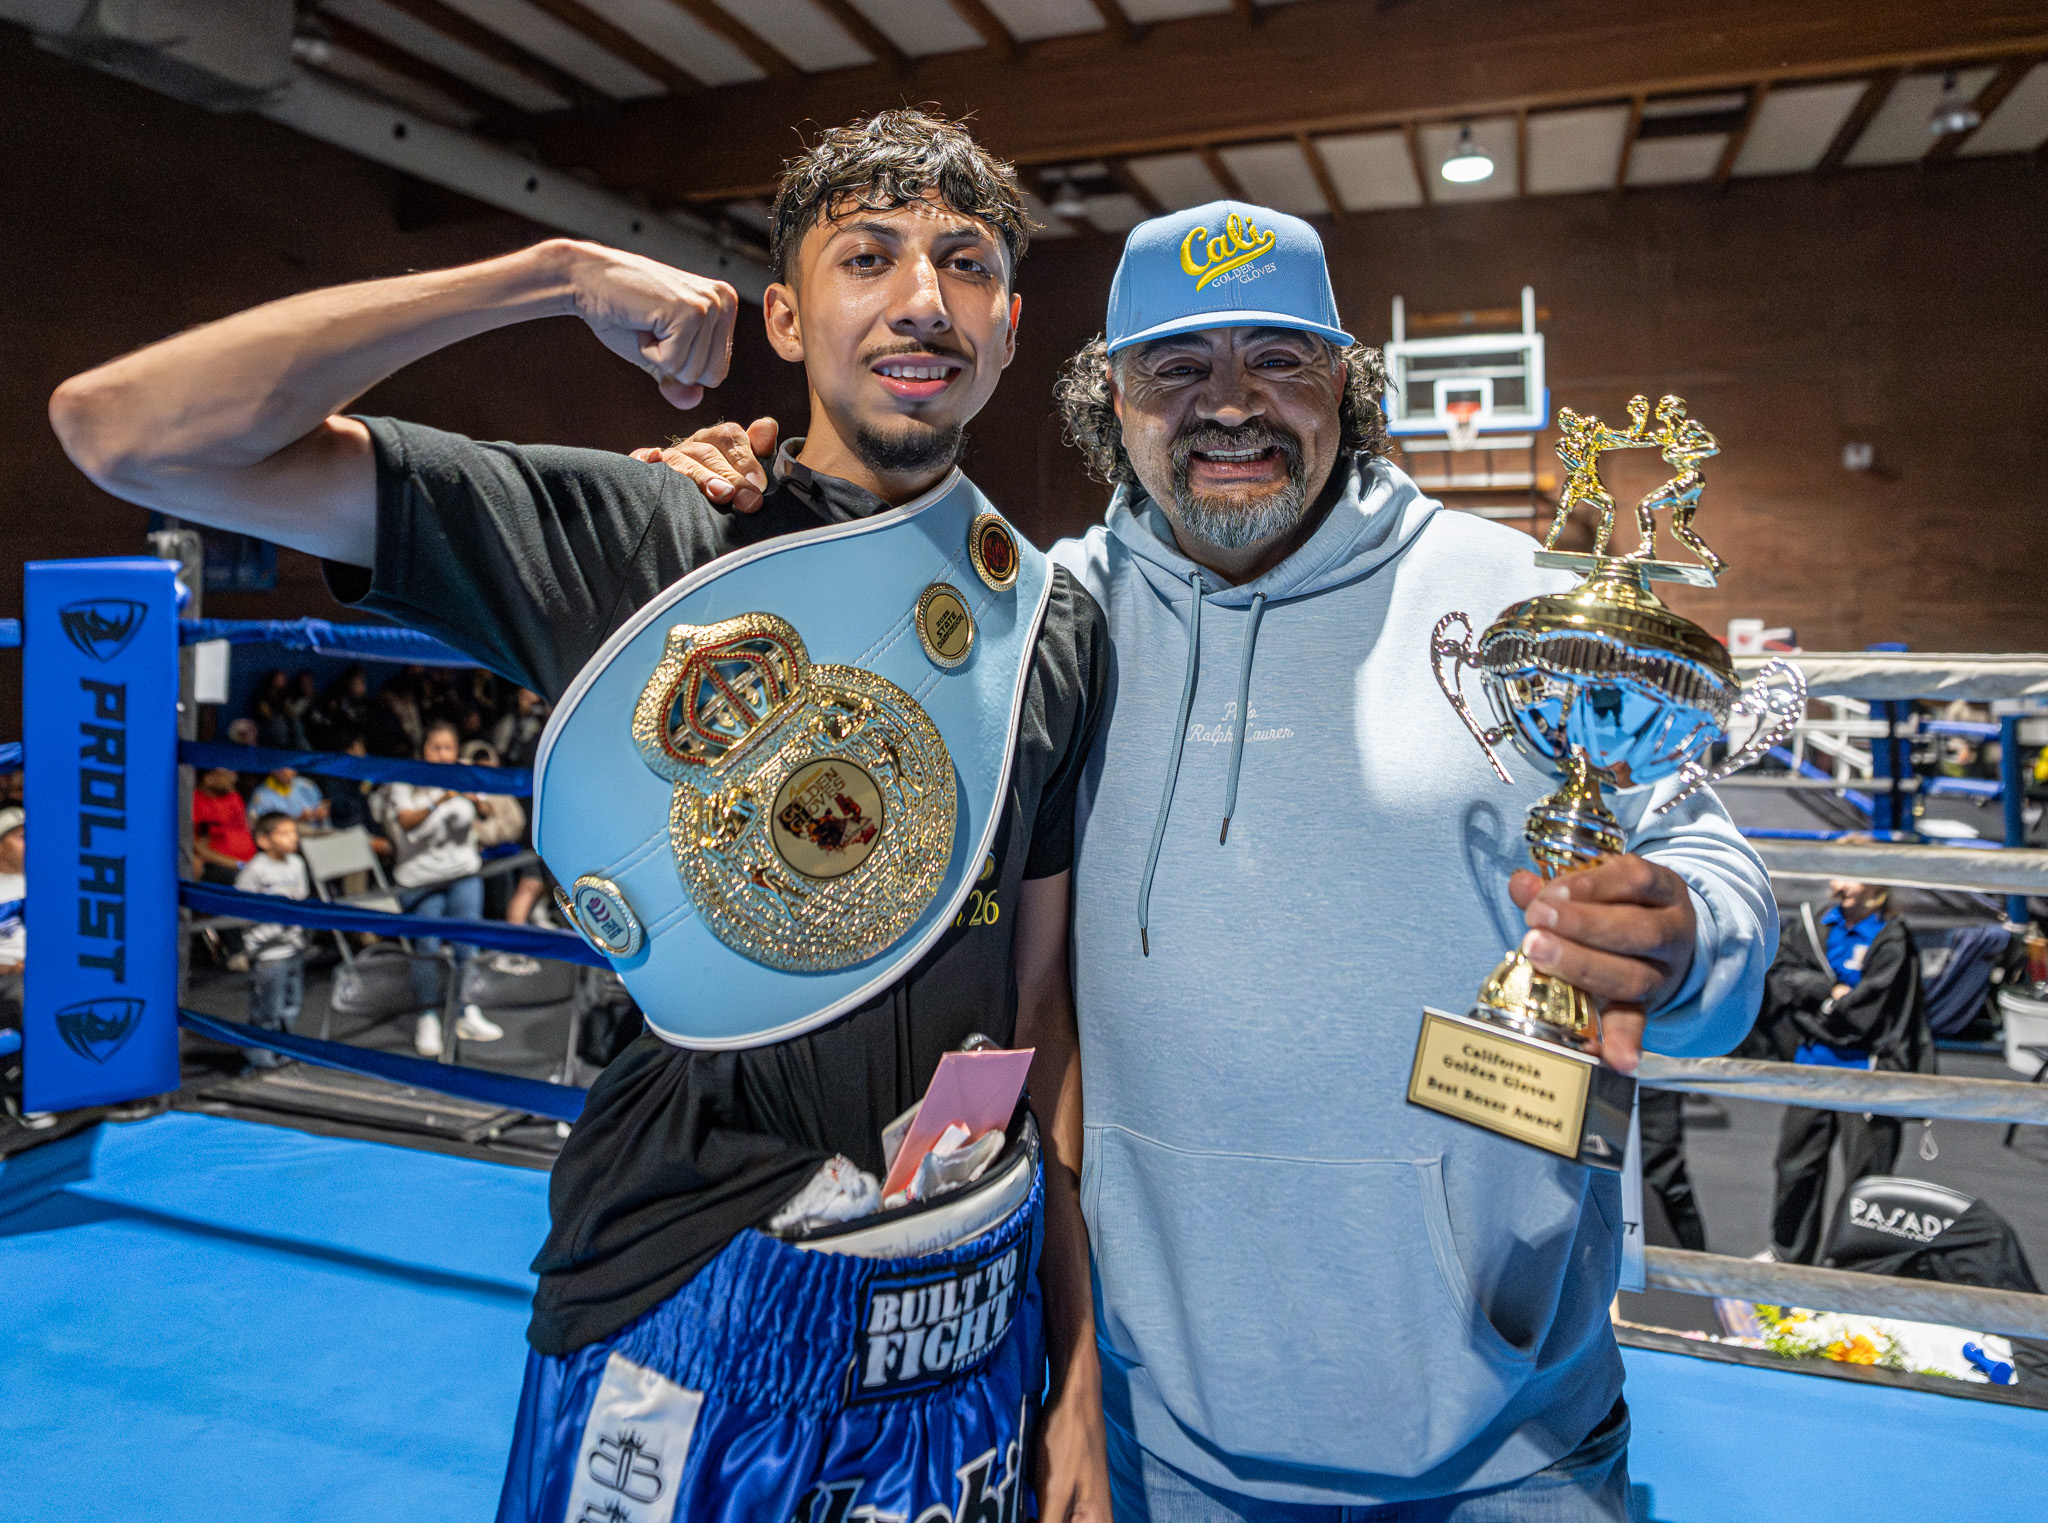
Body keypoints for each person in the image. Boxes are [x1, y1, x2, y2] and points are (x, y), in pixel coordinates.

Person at [51, 109, 1111, 1522]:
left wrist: (1076, 1371)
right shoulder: (647, 536)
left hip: (963, 1320)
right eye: (870, 257)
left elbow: (1040, 1005)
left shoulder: (1050, 624)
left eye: (965, 264)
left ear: (1010, 322)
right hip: (690, 1297)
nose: (924, 298)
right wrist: (541, 273)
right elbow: (119, 428)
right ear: (786, 317)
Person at [658, 201, 1773, 1519]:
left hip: (1512, 1443)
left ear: (1346, 384)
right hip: (1163, 1439)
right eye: (1179, 365)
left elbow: (1709, 863)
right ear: (1110, 396)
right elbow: (833, 672)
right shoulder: (1041, 620)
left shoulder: (1521, 596)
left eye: (1279, 358)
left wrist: (1686, 935)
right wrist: (726, 509)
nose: (1230, 403)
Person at [1757, 877, 1930, 1264]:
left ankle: (1854, 1268)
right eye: (1835, 872)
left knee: (1867, 1182)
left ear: (1875, 883)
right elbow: (1780, 979)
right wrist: (1826, 993)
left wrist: (1820, 1007)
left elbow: (1868, 1012)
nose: (1837, 883)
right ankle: (1788, 1256)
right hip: (1812, 1067)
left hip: (1869, 1075)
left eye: (1849, 874)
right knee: (1795, 1168)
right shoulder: (1813, 923)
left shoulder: (1892, 937)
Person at [375, 720, 504, 1056]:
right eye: (436, 747)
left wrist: (475, 795)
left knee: (467, 943)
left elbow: (488, 812)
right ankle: (427, 1015)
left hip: (463, 873)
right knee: (427, 947)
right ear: (425, 749)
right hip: (420, 880)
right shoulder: (408, 780)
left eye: (448, 747)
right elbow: (405, 822)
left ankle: (467, 1010)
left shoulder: (463, 773)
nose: (443, 754)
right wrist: (441, 798)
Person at [234, 812, 310, 1072]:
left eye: (294, 832)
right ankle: (259, 1056)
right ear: (264, 840)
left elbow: (301, 897)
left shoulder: (297, 864)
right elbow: (240, 909)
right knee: (268, 1005)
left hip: (293, 947)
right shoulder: (255, 870)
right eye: (284, 833)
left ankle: (282, 1047)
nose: (293, 838)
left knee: (292, 1001)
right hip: (268, 953)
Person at [191, 766, 258, 884]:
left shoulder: (234, 797)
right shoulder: (197, 802)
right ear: (209, 778)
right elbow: (200, 847)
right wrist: (240, 865)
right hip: (223, 867)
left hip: (251, 863)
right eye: (229, 773)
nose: (235, 777)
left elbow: (246, 829)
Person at [248, 765, 329, 828]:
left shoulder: (305, 785)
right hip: (285, 844)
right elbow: (260, 828)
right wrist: (298, 821)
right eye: (289, 767)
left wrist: (321, 815)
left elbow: (323, 811)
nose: (294, 772)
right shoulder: (262, 796)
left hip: (317, 836)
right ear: (275, 769)